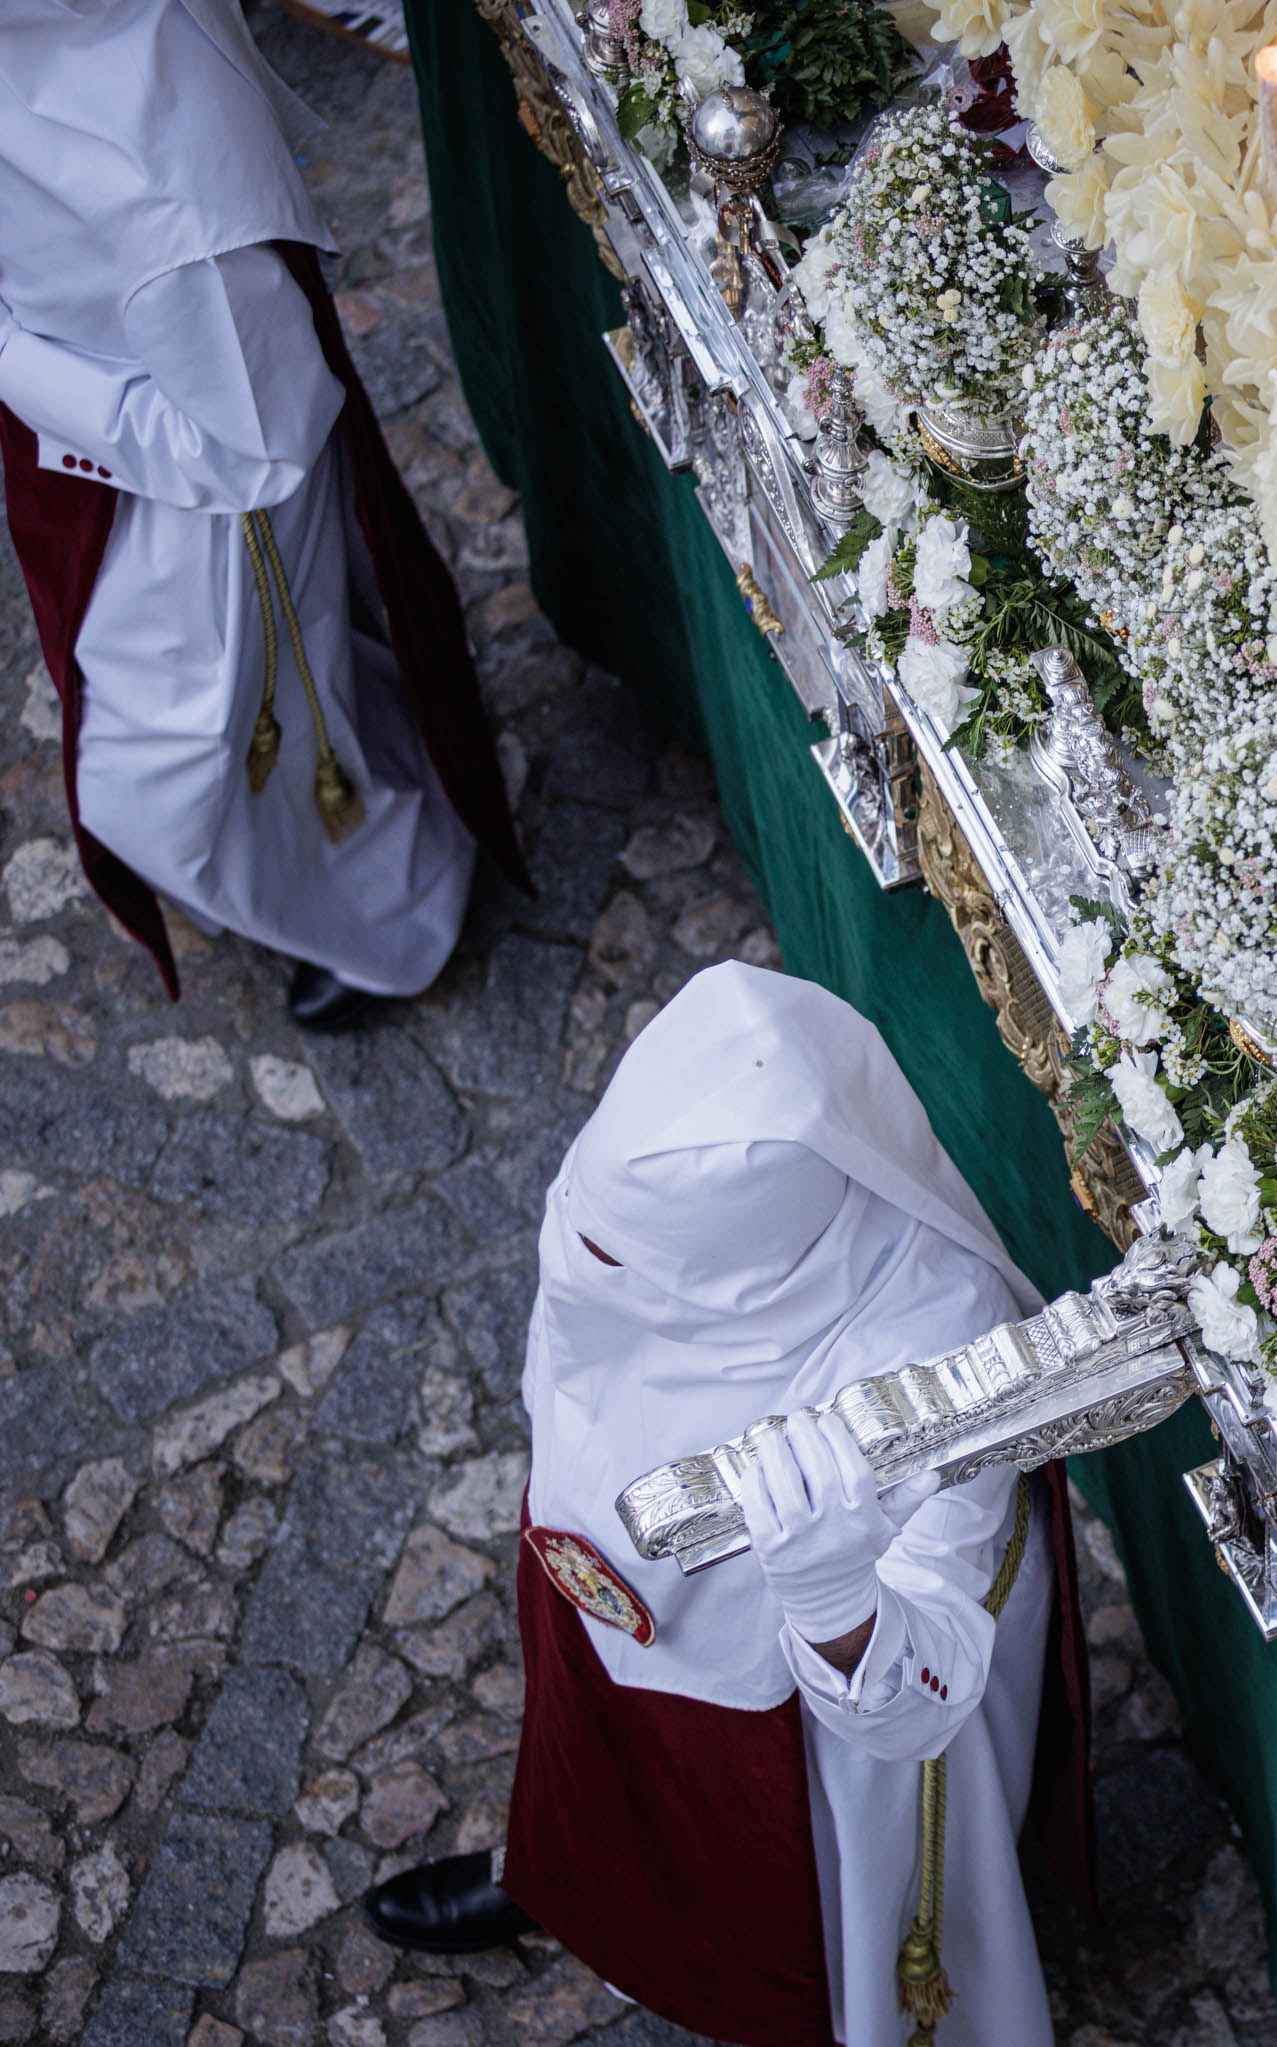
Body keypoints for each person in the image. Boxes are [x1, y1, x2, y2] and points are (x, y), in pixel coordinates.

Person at [359, 964, 1092, 2046]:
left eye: (635, 1264)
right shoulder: (618, 1210)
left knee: (786, 1900)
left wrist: (838, 1601)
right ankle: (571, 1878)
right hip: (596, 1589)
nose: (584, 1261)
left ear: (761, 1266)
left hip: (804, 1723)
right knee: (601, 1770)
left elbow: (928, 1695)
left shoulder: (941, 1348)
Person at [0, 0, 522, 1029]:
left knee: (158, 785)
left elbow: (256, 438)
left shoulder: (169, 191)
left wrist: (16, 367)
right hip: (128, 456)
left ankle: (403, 912)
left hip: (200, 502)